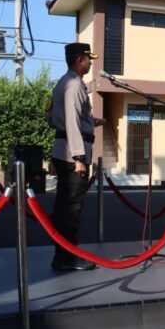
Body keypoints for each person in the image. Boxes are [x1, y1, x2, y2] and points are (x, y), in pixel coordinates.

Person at [49, 43, 104, 272]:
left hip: (65, 152)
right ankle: (67, 258)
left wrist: (91, 122)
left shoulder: (65, 82)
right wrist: (79, 157)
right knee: (71, 210)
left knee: (66, 208)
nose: (91, 63)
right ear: (80, 59)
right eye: (88, 59)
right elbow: (71, 121)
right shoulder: (73, 85)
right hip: (73, 157)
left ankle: (63, 255)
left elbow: (53, 118)